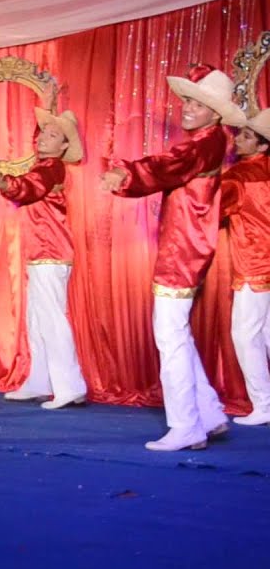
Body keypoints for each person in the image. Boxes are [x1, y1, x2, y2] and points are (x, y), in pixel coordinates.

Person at [100, 65, 237, 451]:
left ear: (215, 113)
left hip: (184, 249)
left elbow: (168, 164)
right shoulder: (211, 141)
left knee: (169, 335)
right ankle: (209, 413)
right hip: (187, 245)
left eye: (198, 104)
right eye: (187, 101)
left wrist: (126, 175)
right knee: (177, 331)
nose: (188, 108)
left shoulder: (203, 143)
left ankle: (185, 426)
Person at [0, 100, 89, 410]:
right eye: (43, 133)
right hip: (41, 252)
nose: (42, 138)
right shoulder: (44, 165)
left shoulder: (51, 168)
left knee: (51, 319)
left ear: (64, 146)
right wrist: (49, 102)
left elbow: (29, 187)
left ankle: (69, 386)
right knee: (38, 319)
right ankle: (40, 382)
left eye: (52, 135)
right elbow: (30, 181)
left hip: (51, 251)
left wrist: (2, 182)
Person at [222, 108, 270, 427]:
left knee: (245, 334)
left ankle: (263, 404)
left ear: (263, 145)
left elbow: (212, 208)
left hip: (254, 262)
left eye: (247, 136)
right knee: (266, 333)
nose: (238, 139)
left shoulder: (239, 176)